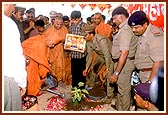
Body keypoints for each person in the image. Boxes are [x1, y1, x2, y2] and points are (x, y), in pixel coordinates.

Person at [110, 6, 138, 111]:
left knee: (124, 91)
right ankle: (120, 108)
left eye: (114, 18)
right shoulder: (123, 28)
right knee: (121, 89)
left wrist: (116, 73)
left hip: (124, 64)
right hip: (123, 63)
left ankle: (124, 110)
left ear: (121, 17)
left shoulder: (125, 30)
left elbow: (124, 53)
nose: (113, 21)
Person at [128, 11, 164, 84]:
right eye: (132, 28)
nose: (133, 30)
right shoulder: (142, 33)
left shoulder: (154, 35)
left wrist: (150, 82)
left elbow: (159, 61)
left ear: (145, 24)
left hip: (151, 74)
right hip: (143, 74)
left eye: (136, 27)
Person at [3, 4, 27, 111]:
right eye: (13, 5)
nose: (13, 9)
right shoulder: (8, 23)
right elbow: (15, 56)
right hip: (6, 79)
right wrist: (22, 82)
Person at [82, 25, 114, 103]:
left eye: (85, 35)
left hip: (111, 57)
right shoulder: (88, 41)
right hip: (101, 56)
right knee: (93, 70)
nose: (84, 37)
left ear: (91, 34)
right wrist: (86, 68)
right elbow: (90, 55)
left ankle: (109, 97)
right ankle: (91, 88)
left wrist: (107, 69)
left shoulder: (101, 40)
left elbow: (107, 55)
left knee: (109, 76)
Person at [45, 16, 71, 86]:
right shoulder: (49, 30)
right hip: (52, 52)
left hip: (61, 52)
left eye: (60, 24)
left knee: (62, 66)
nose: (59, 26)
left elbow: (67, 40)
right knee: (53, 68)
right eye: (57, 24)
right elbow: (46, 42)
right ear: (54, 22)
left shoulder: (64, 29)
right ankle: (53, 82)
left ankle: (60, 81)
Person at [69, 10, 87, 89]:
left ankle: (81, 91)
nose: (74, 21)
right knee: (74, 74)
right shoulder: (71, 26)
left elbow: (88, 39)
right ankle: (74, 90)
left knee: (81, 74)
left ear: (80, 18)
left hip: (82, 55)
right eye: (72, 20)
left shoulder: (85, 26)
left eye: (76, 20)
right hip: (73, 54)